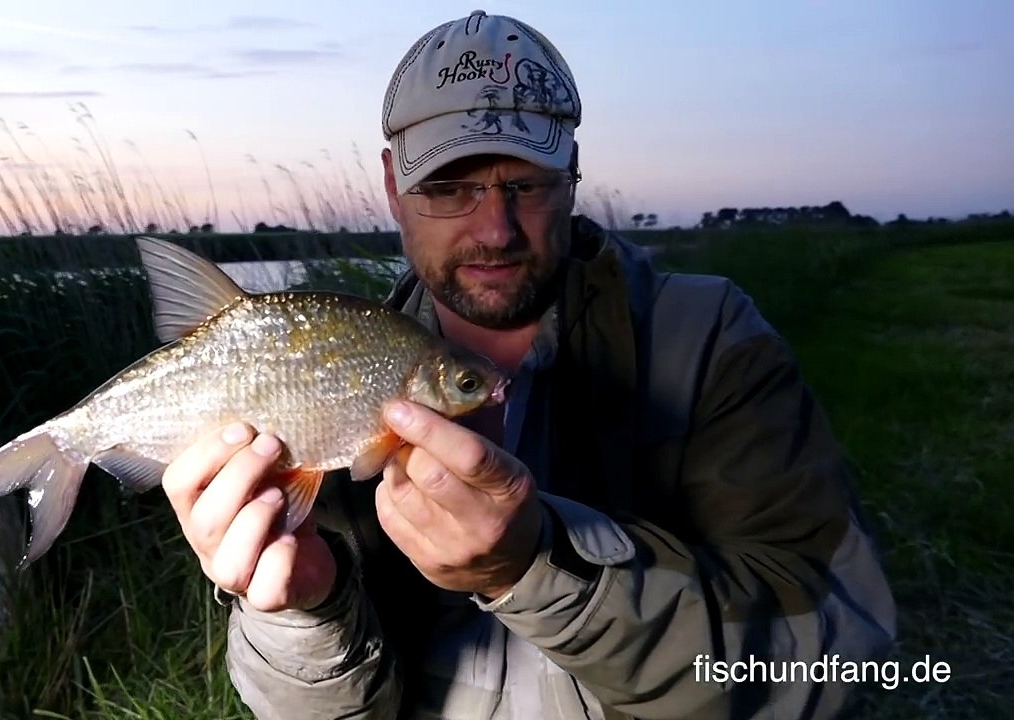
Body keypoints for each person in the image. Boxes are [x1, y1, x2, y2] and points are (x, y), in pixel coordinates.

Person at [158, 9, 897, 720]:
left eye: (526, 185)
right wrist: (304, 613)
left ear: (572, 175)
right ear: (393, 186)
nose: (494, 228)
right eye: (449, 187)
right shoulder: (333, 379)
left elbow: (838, 663)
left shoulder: (708, 339)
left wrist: (539, 568)